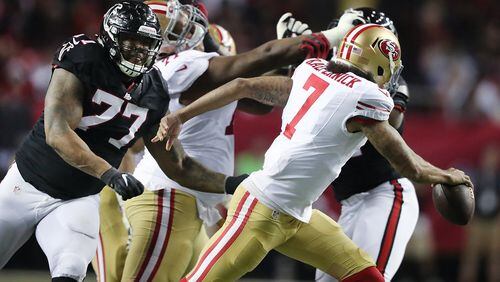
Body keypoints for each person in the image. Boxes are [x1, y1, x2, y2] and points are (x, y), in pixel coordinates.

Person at [154, 24, 473, 282]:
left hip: (298, 215)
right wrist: (447, 175)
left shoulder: (313, 70)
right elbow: (407, 164)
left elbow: (242, 85)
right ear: (378, 63)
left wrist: (181, 115)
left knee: (365, 275)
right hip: (262, 211)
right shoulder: (365, 97)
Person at [92, 1, 364, 280]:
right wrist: (330, 36)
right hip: (169, 197)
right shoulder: (183, 64)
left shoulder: (183, 72)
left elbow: (261, 101)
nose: (188, 27)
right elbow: (259, 58)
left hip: (184, 201)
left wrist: (290, 53)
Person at [0, 2, 232, 281]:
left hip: (77, 199)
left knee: (71, 267)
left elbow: (178, 165)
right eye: (131, 40)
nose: (139, 50)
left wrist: (232, 183)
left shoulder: (154, 90)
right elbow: (58, 133)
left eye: (146, 43)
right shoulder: (84, 57)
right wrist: (110, 174)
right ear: (110, 37)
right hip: (23, 186)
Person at [295, 8, 417, 282]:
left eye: (352, 39)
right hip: (349, 205)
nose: (343, 47)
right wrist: (292, 58)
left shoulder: (386, 86)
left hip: (384, 194)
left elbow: (391, 120)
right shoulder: (327, 78)